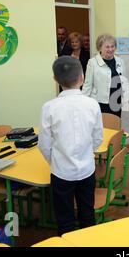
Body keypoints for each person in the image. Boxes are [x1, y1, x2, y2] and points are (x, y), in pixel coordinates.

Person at [38, 56, 103, 236]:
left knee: (64, 219)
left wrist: (55, 161)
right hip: (87, 170)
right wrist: (86, 154)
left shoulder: (49, 107)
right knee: (87, 214)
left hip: (61, 172)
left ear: (55, 80)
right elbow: (98, 138)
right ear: (82, 77)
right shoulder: (93, 104)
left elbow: (44, 144)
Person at [82, 34, 129, 118]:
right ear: (100, 48)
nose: (110, 49)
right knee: (102, 129)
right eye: (107, 47)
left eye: (113, 46)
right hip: (100, 103)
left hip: (116, 102)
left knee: (115, 128)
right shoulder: (92, 62)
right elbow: (87, 85)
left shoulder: (120, 61)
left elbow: (125, 83)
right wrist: (83, 103)